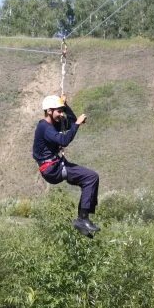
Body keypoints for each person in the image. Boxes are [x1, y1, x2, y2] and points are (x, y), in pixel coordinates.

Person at [32, 94, 101, 237]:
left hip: (55, 165)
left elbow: (72, 121)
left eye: (61, 111)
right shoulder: (45, 127)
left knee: (90, 179)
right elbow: (64, 140)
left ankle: (83, 220)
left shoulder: (52, 124)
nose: (61, 114)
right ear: (49, 111)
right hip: (53, 169)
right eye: (59, 111)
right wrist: (77, 125)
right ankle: (82, 219)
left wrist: (66, 106)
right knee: (91, 177)